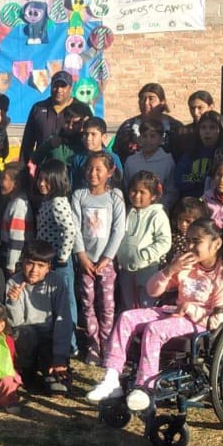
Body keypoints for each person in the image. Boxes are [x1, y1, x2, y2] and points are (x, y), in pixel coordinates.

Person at [88, 218, 223, 407]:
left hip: (200, 323)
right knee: (127, 317)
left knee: (155, 329)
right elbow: (152, 291)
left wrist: (190, 309)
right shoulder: (185, 263)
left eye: (197, 241)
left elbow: (219, 319)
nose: (190, 246)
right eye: (189, 240)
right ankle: (111, 379)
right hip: (175, 312)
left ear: (216, 244)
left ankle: (145, 386)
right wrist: (170, 270)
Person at [72, 152, 127, 364]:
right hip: (86, 261)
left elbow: (118, 229)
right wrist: (82, 256)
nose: (93, 173)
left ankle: (108, 346)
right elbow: (75, 227)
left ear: (110, 172)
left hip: (107, 263)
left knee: (107, 305)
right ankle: (93, 346)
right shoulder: (79, 195)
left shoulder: (115, 197)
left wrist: (107, 257)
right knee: (88, 304)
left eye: (98, 169)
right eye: (89, 169)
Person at [4, 240, 73, 395]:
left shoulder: (56, 283)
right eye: (30, 263)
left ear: (48, 268)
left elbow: (64, 321)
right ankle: (27, 371)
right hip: (26, 339)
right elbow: (16, 323)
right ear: (22, 263)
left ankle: (55, 371)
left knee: (58, 388)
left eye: (41, 266)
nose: (34, 270)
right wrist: (13, 302)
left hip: (50, 338)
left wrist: (59, 357)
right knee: (24, 333)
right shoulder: (14, 282)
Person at [115, 171, 172, 310]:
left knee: (147, 304)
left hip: (147, 269)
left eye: (142, 192)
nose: (137, 196)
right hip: (126, 269)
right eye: (134, 191)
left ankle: (145, 330)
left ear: (153, 196)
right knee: (128, 304)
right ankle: (131, 331)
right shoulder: (127, 212)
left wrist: (145, 255)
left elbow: (165, 241)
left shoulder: (157, 214)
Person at [33, 160, 80, 322]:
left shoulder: (57, 202)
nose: (42, 184)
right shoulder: (47, 200)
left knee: (65, 302)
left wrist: (62, 255)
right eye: (40, 179)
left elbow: (69, 229)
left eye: (47, 180)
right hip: (48, 259)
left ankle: (70, 342)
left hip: (59, 262)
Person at [112, 83, 184, 165]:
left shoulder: (174, 127)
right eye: (142, 99)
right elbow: (116, 155)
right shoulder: (127, 127)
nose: (146, 103)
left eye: (151, 99)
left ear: (162, 102)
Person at [19, 71, 75, 165]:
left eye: (63, 86)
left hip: (69, 168)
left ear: (70, 88)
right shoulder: (38, 108)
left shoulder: (79, 109)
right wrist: (22, 168)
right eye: (55, 85)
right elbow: (27, 143)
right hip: (42, 167)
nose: (59, 90)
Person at [123, 119, 177, 207]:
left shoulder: (167, 161)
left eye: (152, 136)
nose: (148, 140)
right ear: (139, 138)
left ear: (161, 139)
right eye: (144, 136)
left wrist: (160, 206)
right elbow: (126, 187)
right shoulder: (131, 161)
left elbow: (172, 190)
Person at [174, 111, 223, 199]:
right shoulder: (190, 153)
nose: (207, 131)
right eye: (203, 127)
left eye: (212, 127)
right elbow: (179, 178)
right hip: (191, 201)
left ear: (220, 130)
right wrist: (203, 178)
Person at [0, 162, 32, 277]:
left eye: (4, 179)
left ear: (16, 184)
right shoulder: (11, 201)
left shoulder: (19, 205)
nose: (0, 182)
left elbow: (17, 237)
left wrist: (11, 264)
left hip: (15, 261)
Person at [71, 117, 123, 190]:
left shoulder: (113, 158)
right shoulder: (78, 158)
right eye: (86, 134)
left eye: (93, 134)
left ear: (103, 137)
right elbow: (74, 184)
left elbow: (119, 182)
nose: (88, 138)